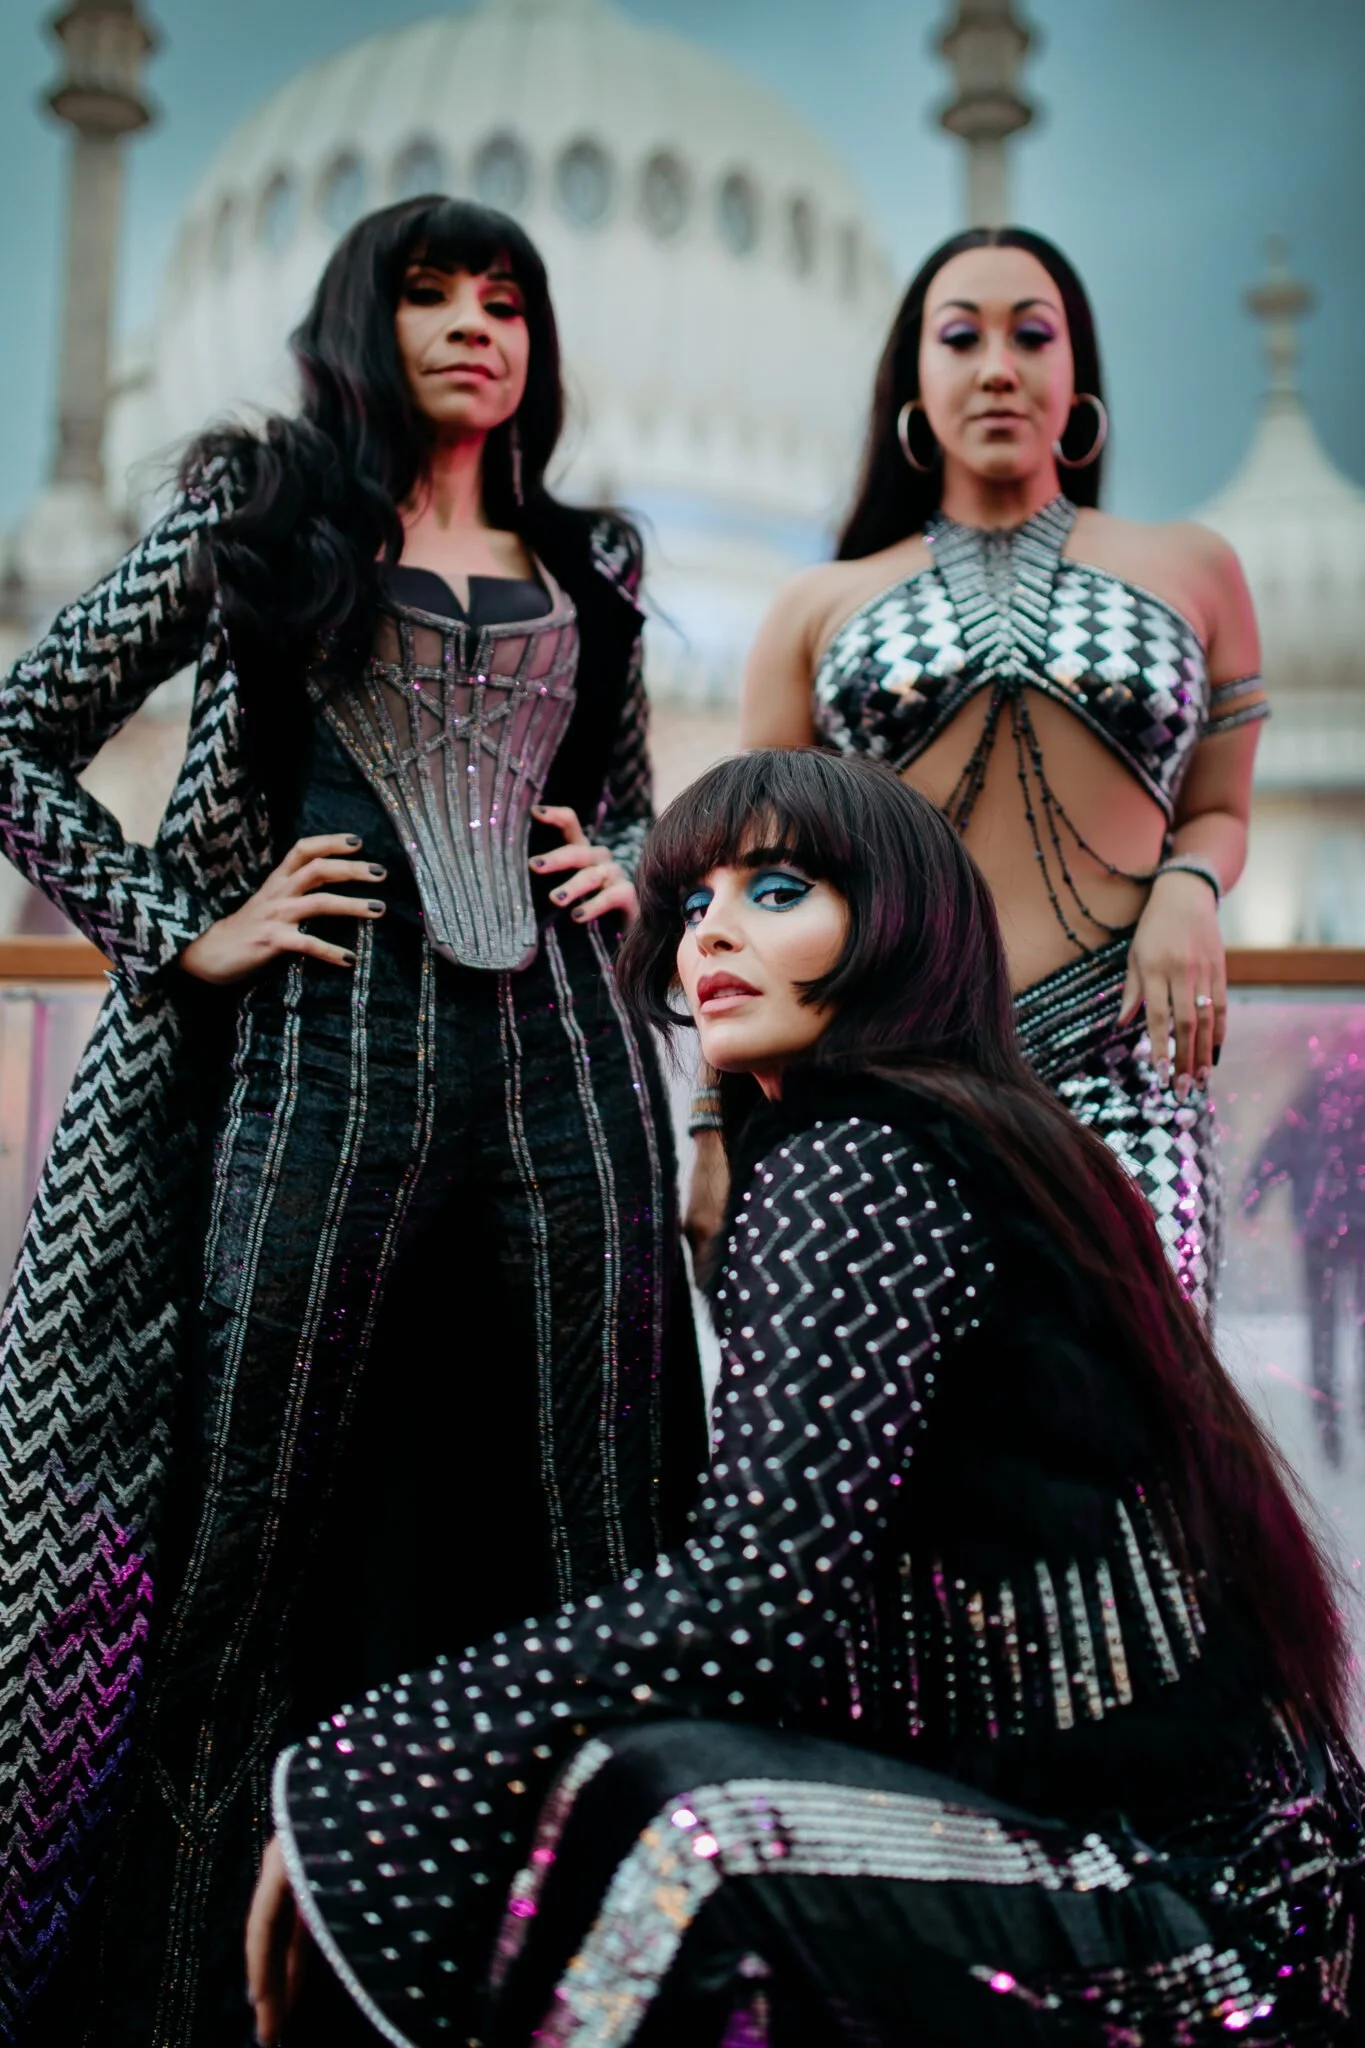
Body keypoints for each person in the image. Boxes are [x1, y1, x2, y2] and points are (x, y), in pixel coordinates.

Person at [250, 750, 1361, 2048]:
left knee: (680, 1827)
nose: (711, 933)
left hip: (1176, 1904)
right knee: (622, 1783)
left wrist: (375, 1764)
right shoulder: (959, 1131)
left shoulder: (862, 1155)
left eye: (776, 891)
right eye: (691, 904)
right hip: (1250, 1880)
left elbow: (753, 1599)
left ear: (900, 920)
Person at [0, 197, 702, 2044]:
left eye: (507, 299)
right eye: (432, 294)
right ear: (359, 322)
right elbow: (14, 733)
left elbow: (628, 803)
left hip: (573, 1087)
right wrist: (183, 925)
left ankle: (584, 1983)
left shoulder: (588, 564)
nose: (476, 325)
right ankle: (185, 2005)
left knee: (599, 1520)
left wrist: (627, 863)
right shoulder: (262, 521)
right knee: (248, 1542)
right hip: (325, 1062)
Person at [692, 227, 1268, 1320]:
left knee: (1135, 1393)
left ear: (1076, 371)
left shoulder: (1195, 572)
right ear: (912, 380)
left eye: (1031, 335)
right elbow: (747, 885)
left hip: (1126, 1068)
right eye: (961, 338)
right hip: (886, 1064)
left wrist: (1189, 886)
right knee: (888, 1403)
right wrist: (715, 1134)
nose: (998, 366)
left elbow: (1218, 809)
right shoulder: (818, 606)